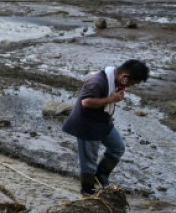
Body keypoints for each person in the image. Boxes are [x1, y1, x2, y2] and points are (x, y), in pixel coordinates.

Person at [61, 59, 150, 195]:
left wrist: (112, 103)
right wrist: (111, 99)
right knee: (89, 162)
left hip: (103, 121)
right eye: (132, 83)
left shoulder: (116, 80)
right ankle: (87, 190)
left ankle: (101, 175)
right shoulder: (97, 81)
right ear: (125, 76)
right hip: (87, 125)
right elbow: (86, 102)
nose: (130, 86)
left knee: (117, 148)